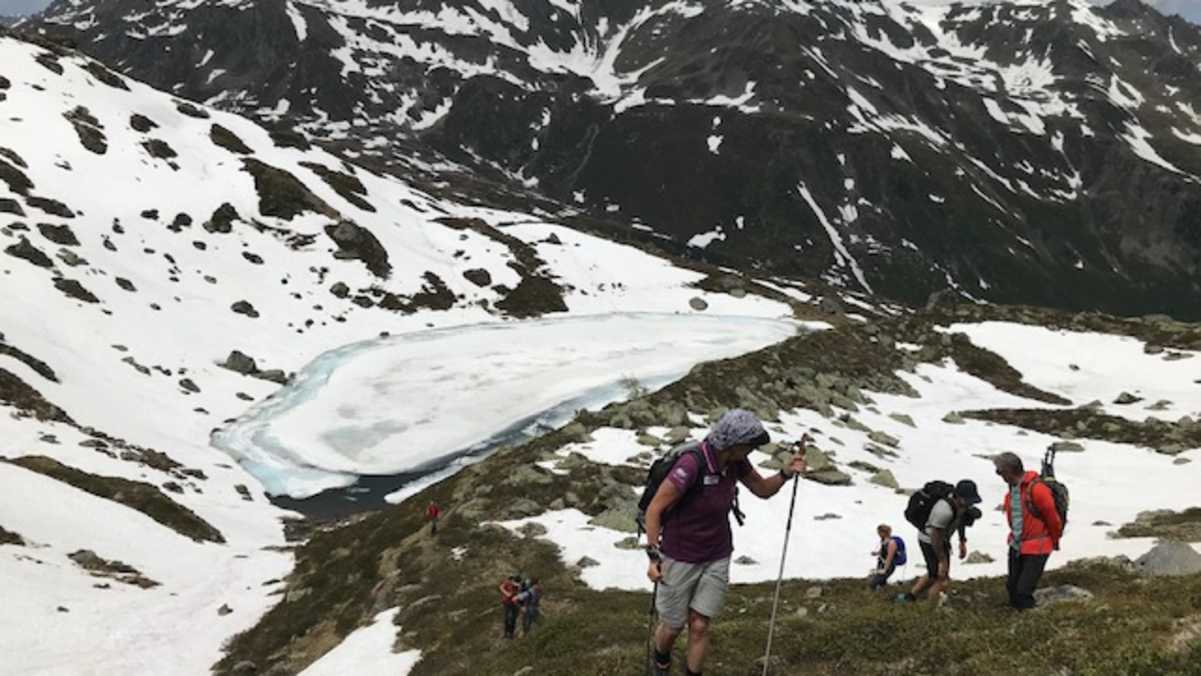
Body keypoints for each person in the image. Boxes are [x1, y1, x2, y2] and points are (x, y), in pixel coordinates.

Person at [643, 409, 807, 676]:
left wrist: (786, 473)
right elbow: (654, 510)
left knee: (700, 625)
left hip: (717, 554)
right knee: (672, 625)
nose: (752, 451)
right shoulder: (691, 465)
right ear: (733, 443)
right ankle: (661, 658)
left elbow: (762, 489)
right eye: (750, 445)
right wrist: (653, 557)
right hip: (679, 556)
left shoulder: (735, 462)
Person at [994, 452, 1063, 610]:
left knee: (1023, 591)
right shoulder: (1012, 490)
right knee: (1012, 587)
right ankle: (1018, 620)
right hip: (1017, 545)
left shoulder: (1037, 490)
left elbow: (1052, 518)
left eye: (1000, 471)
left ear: (1010, 470)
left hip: (1038, 547)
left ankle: (1031, 623)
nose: (999, 475)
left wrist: (1054, 540)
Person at [900, 479, 981, 604]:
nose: (970, 504)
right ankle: (930, 608)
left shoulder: (961, 505)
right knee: (942, 578)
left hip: (938, 540)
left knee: (934, 573)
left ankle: (909, 597)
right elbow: (935, 536)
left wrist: (962, 541)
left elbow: (960, 521)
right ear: (958, 496)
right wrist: (942, 559)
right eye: (968, 500)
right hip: (930, 541)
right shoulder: (943, 510)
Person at [870, 524, 905, 591]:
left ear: (883, 532)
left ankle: (879, 593)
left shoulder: (892, 543)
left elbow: (889, 557)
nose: (878, 534)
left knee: (874, 583)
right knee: (881, 582)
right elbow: (883, 550)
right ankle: (882, 592)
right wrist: (877, 553)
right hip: (882, 563)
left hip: (888, 565)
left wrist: (884, 570)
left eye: (879, 532)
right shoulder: (884, 540)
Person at [499, 575, 521, 639]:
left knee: (513, 619)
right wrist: (507, 593)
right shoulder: (508, 582)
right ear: (512, 580)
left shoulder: (520, 586)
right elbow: (501, 587)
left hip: (515, 604)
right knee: (507, 618)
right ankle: (505, 633)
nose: (515, 585)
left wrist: (518, 592)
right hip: (507, 603)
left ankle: (511, 634)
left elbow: (521, 595)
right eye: (514, 583)